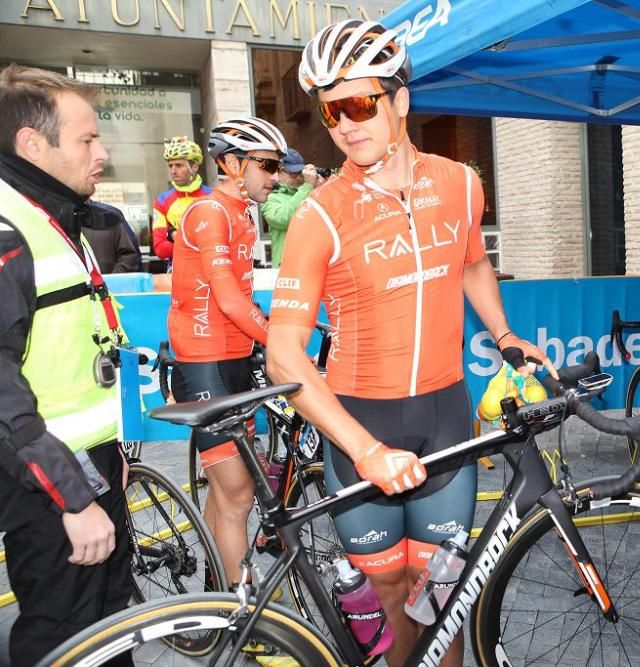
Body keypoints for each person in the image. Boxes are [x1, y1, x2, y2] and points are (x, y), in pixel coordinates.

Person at [266, 20, 554, 667]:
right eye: (330, 108)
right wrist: (365, 449)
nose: (344, 123)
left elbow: (474, 261)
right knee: (389, 592)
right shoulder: (319, 216)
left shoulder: (461, 183)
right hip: (359, 425)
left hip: (446, 417)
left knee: (442, 599)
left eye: (360, 103)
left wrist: (504, 332)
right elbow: (282, 355)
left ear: (400, 99)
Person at [0, 63, 132, 666]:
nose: (101, 153)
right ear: (33, 143)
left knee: (115, 632)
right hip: (50, 486)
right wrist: (72, 500)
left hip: (91, 467)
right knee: (64, 641)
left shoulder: (57, 210)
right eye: (87, 139)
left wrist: (114, 462)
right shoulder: (10, 230)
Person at [166, 116, 285, 587]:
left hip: (232, 361)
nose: (276, 176)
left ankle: (219, 594)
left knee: (224, 493)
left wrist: (275, 328)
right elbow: (228, 299)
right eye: (268, 165)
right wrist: (279, 340)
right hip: (204, 364)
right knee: (237, 493)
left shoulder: (241, 213)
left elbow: (242, 295)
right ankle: (243, 612)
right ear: (232, 163)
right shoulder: (208, 212)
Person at [152, 135, 211, 262]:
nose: (173, 171)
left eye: (179, 165)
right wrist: (196, 243)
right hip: (177, 268)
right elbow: (160, 249)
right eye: (170, 165)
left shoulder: (213, 197)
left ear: (194, 167)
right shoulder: (162, 200)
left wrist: (175, 236)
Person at [260, 147, 323, 267]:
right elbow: (282, 219)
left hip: (313, 264)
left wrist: (322, 189)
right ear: (277, 172)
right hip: (286, 268)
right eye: (292, 173)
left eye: (299, 173)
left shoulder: (307, 192)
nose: (298, 177)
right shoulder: (271, 197)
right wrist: (308, 186)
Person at [84, 201, 141, 273]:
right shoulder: (66, 220)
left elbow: (130, 257)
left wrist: (110, 281)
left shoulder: (109, 215)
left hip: (110, 281)